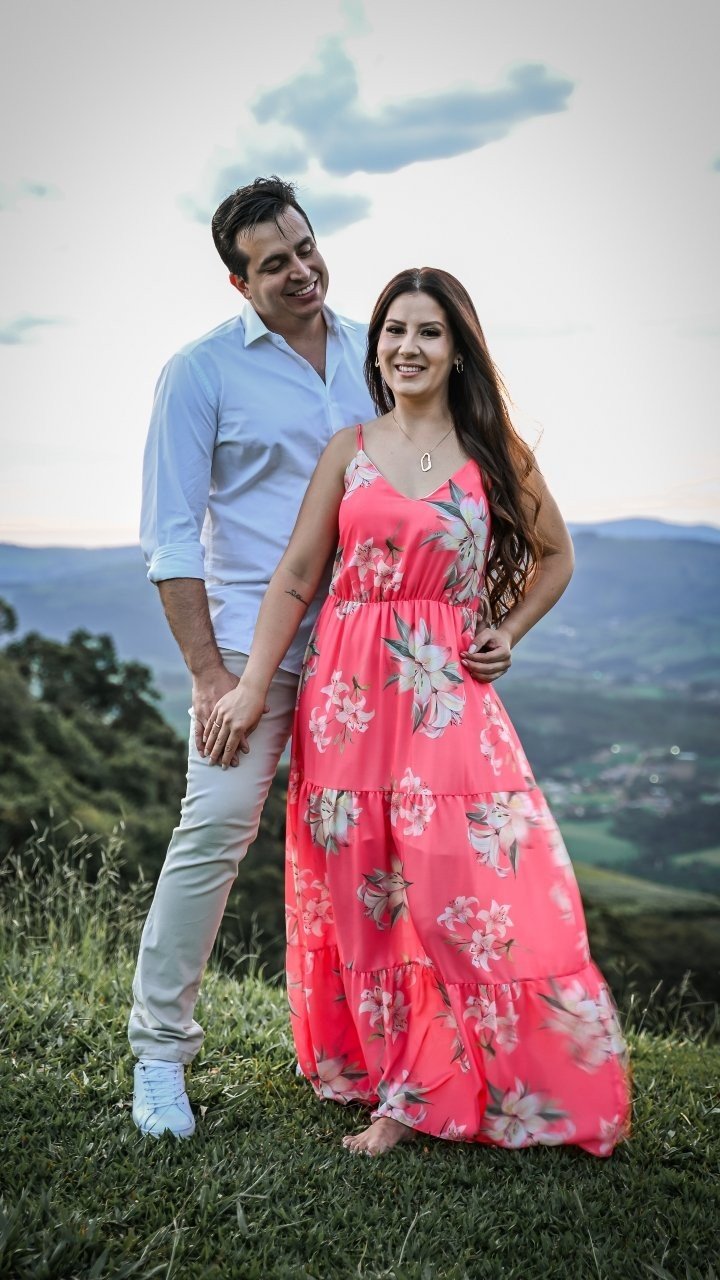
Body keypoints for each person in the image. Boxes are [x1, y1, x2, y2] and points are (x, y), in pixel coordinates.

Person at [205, 267, 632, 1158]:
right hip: (346, 702)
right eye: (394, 331)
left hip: (446, 702)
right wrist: (250, 686)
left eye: (428, 332)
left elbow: (556, 556)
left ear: (458, 349)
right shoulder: (350, 448)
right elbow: (297, 575)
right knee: (366, 893)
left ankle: (490, 1069)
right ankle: (402, 1089)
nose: (407, 347)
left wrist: (508, 630)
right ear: (376, 350)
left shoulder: (493, 452)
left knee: (457, 890)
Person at [129, 176, 377, 1138]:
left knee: (375, 848)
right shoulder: (200, 373)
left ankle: (384, 1046)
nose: (302, 271)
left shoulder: (374, 347)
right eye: (276, 264)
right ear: (239, 282)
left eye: (306, 248)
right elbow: (170, 536)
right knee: (215, 832)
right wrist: (208, 675)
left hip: (364, 648)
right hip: (245, 650)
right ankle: (160, 1054)